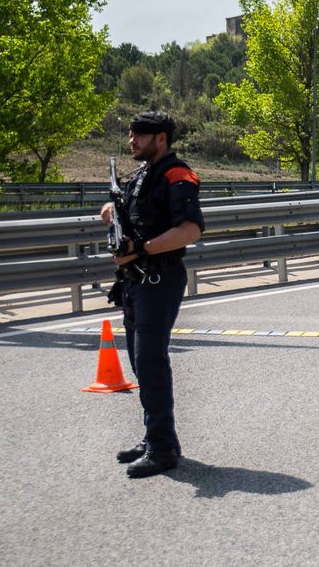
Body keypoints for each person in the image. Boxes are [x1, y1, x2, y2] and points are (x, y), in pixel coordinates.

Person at [99, 111, 204, 478]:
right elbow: (125, 212)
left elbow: (190, 230)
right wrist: (112, 214)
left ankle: (162, 450)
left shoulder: (178, 174)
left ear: (161, 138)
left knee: (151, 361)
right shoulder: (142, 174)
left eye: (140, 136)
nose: (132, 141)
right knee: (139, 361)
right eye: (130, 135)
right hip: (134, 280)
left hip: (160, 278)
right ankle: (156, 437)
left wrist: (140, 248)